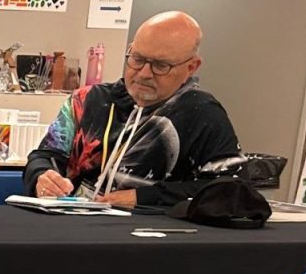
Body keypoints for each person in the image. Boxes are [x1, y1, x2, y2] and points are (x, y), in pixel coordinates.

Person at [23, 11, 241, 209]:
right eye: (137, 59)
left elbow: (231, 189)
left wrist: (142, 197)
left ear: (191, 67)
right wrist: (41, 176)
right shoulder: (87, 100)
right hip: (68, 224)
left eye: (161, 65)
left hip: (147, 233)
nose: (144, 73)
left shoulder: (202, 113)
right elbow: (44, 156)